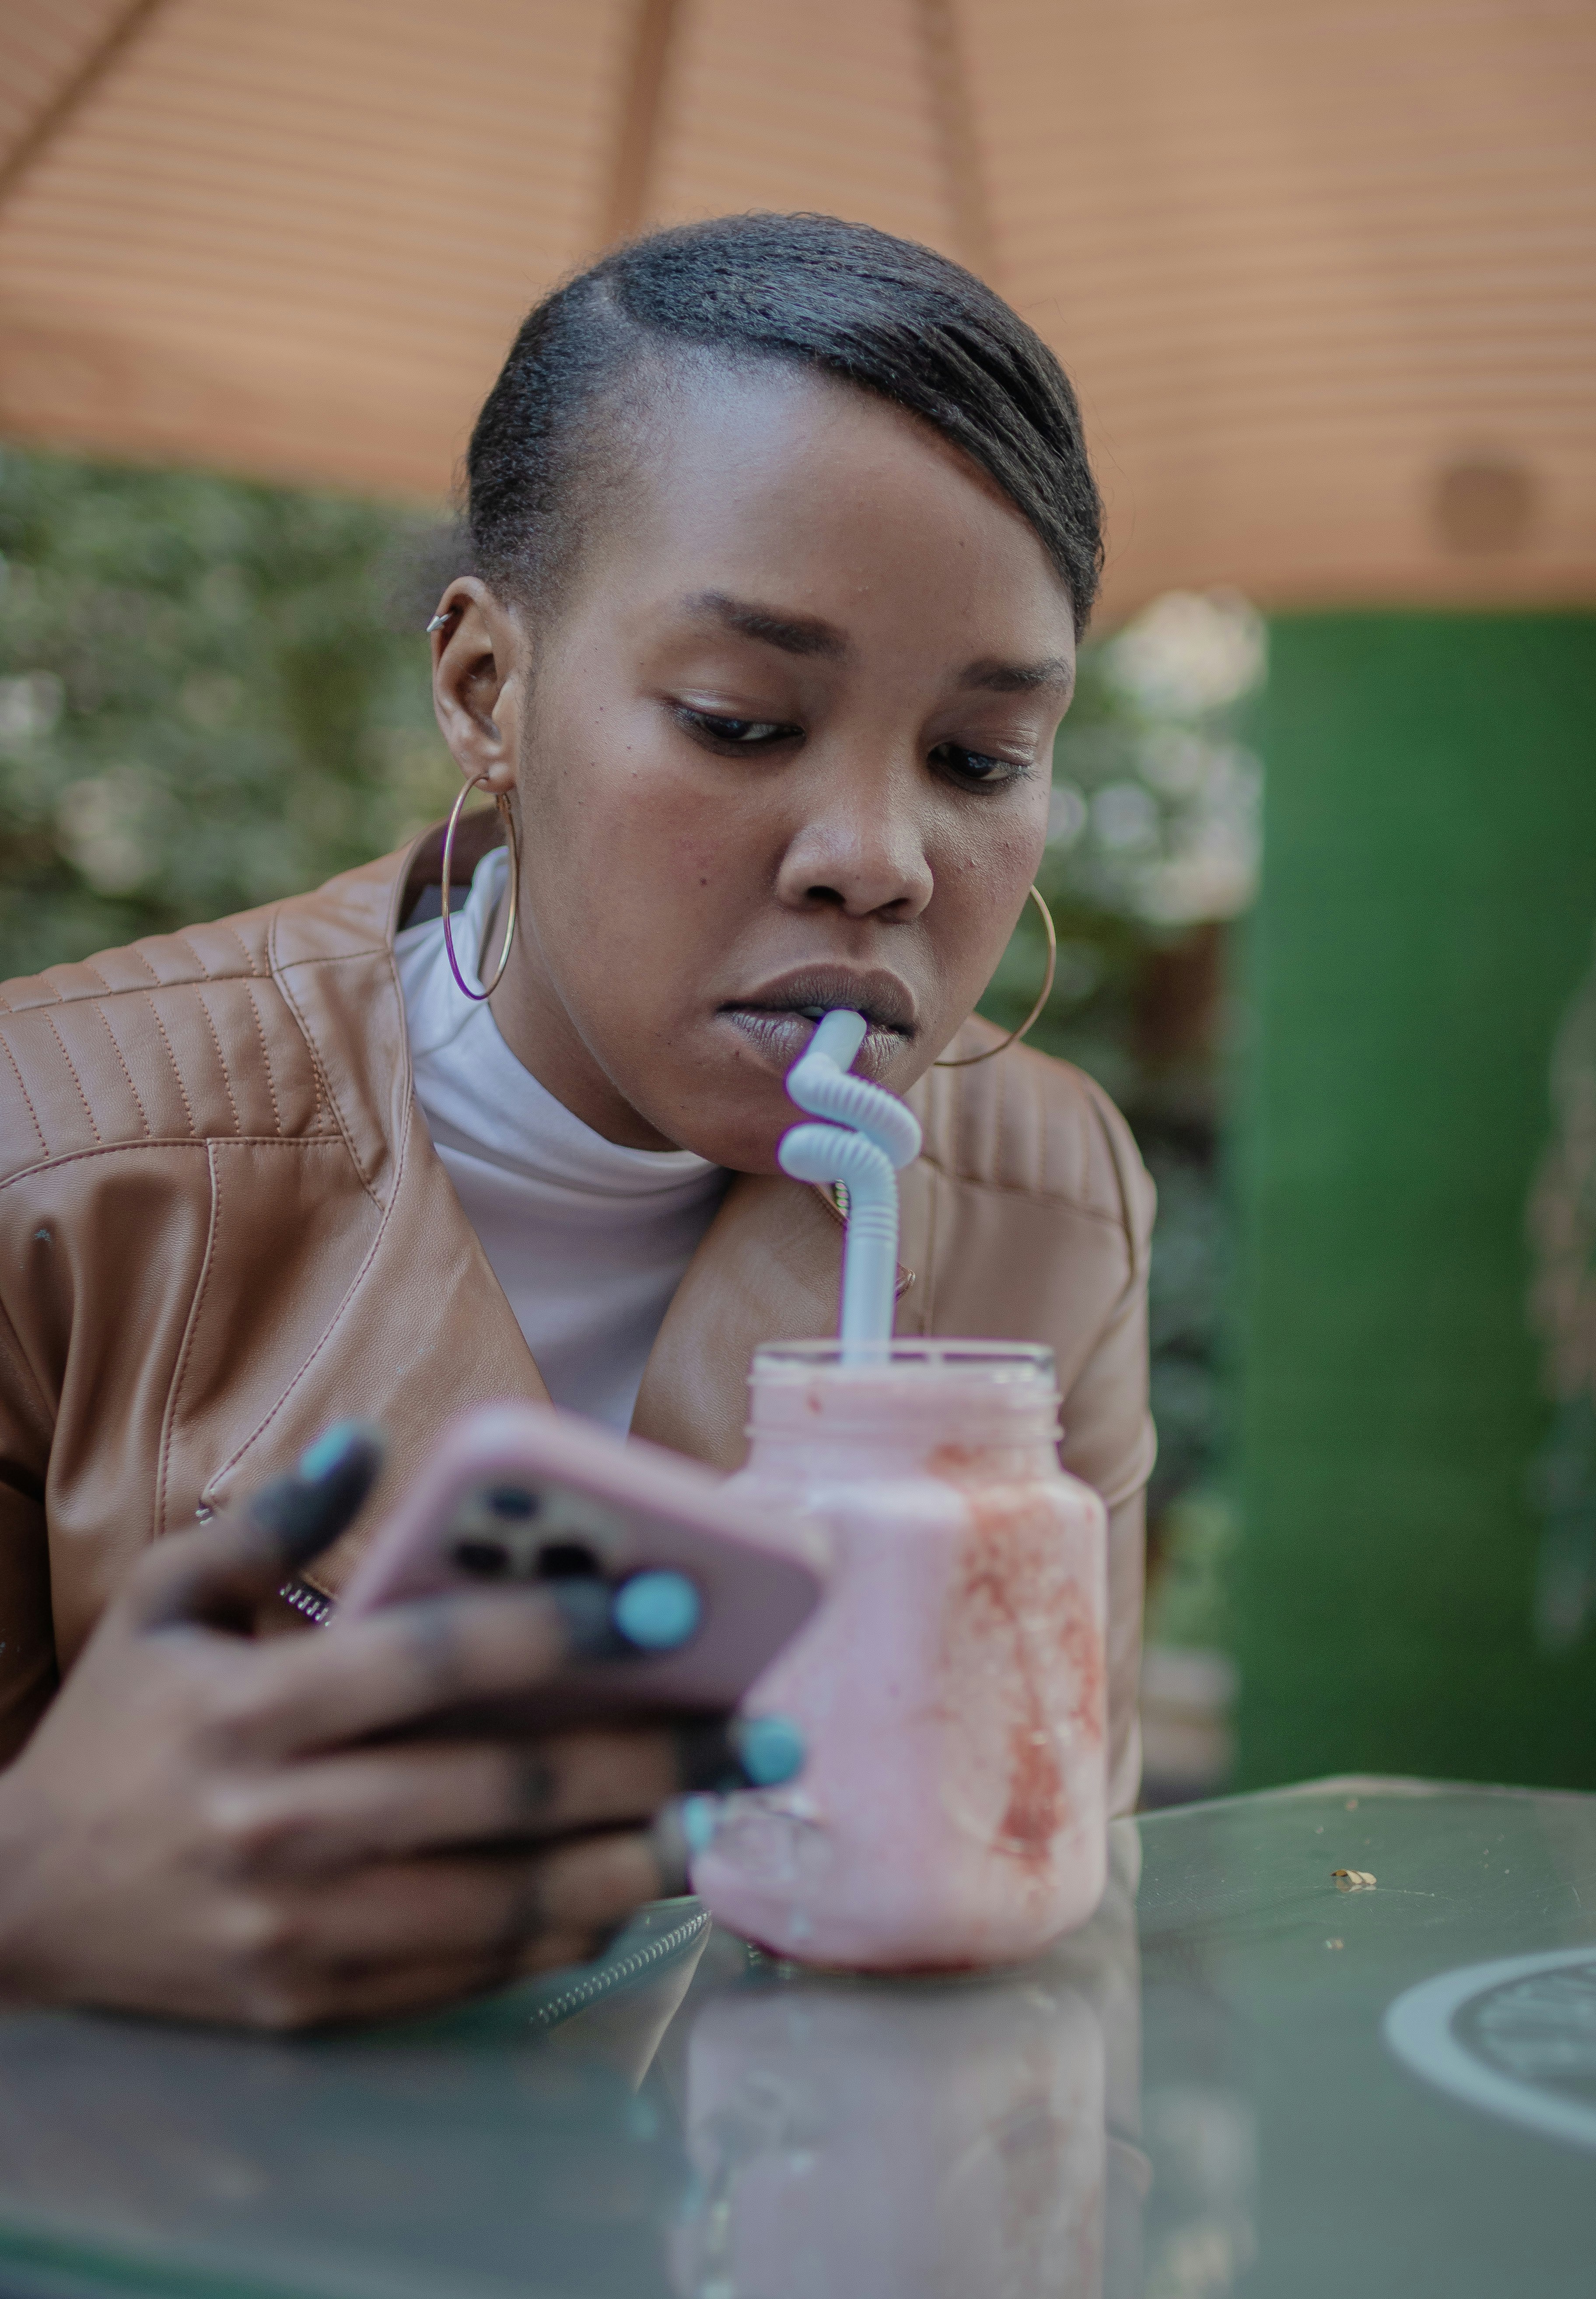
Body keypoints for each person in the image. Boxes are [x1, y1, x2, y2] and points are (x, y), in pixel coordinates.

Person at [0, 214, 1154, 2027]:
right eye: (739, 720)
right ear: (486, 689)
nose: (877, 858)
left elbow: (1049, 1880)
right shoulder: (53, 1163)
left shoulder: (1047, 1196)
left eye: (980, 761)